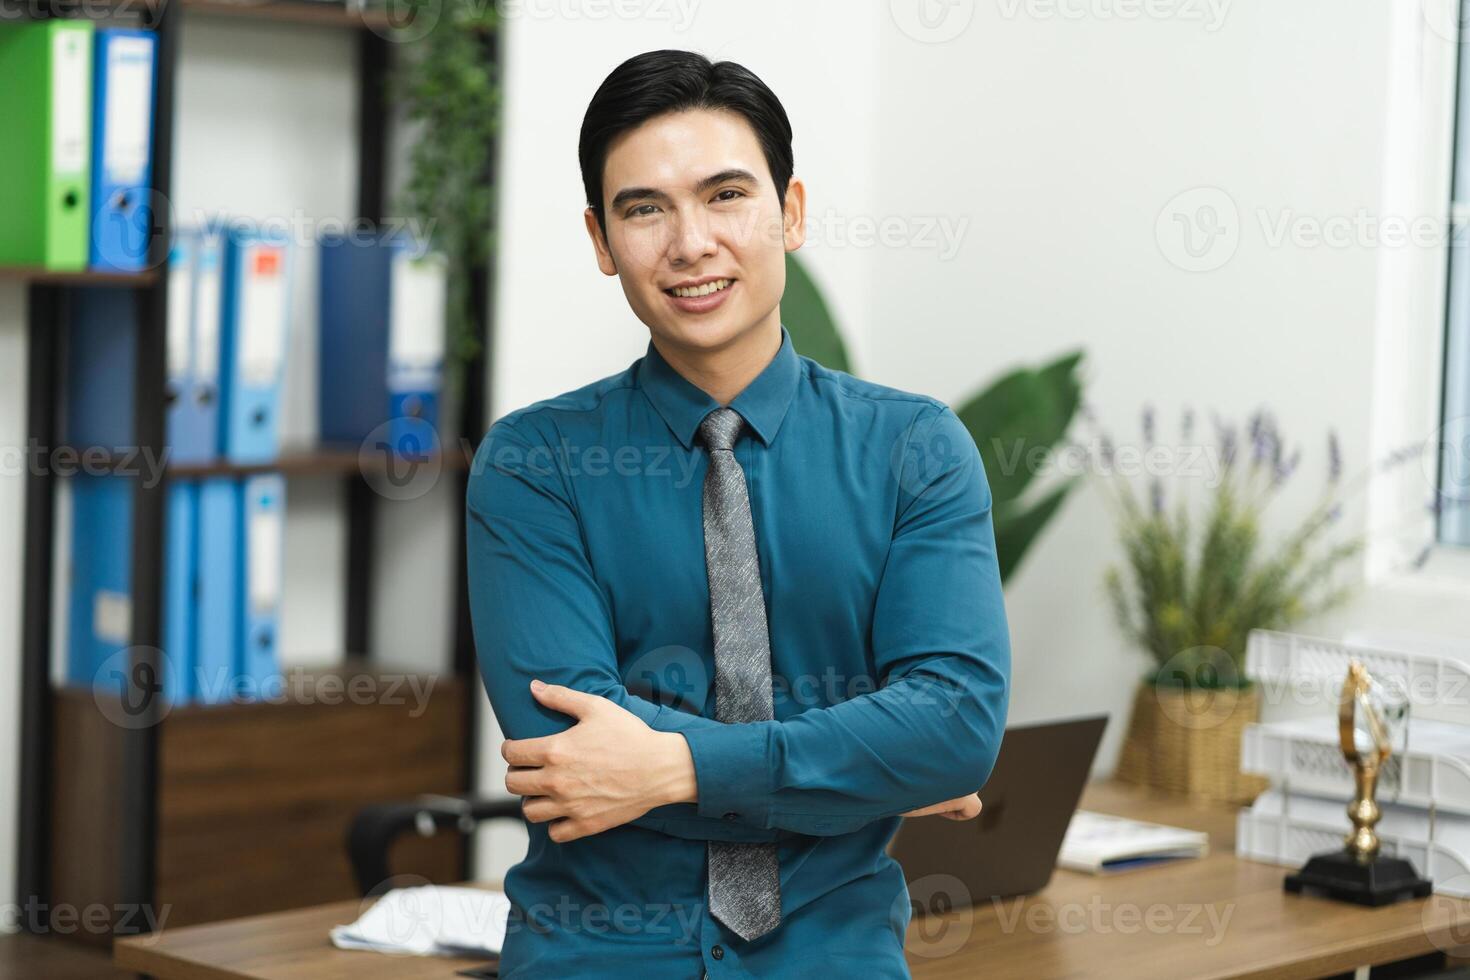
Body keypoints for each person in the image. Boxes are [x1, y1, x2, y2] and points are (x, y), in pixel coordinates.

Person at [466, 48, 1011, 979]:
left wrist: (677, 770)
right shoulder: (534, 464)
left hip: (832, 956)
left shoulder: (914, 450)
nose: (690, 243)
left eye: (726, 195)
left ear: (790, 212)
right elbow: (570, 756)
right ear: (602, 242)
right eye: (644, 208)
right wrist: (858, 773)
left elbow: (953, 728)